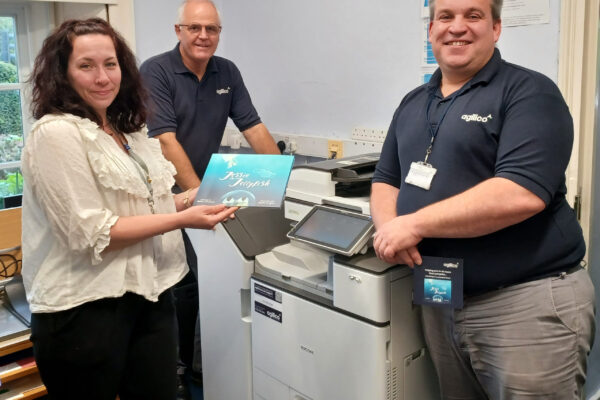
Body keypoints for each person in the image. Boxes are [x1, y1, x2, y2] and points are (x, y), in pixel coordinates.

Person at [370, 0, 595, 398]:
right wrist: (389, 227)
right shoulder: (412, 103)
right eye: (445, 17)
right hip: (441, 298)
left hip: (524, 302)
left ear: (496, 28)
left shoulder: (529, 92)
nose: (457, 27)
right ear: (431, 30)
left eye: (473, 15)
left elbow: (520, 192)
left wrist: (413, 224)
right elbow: (386, 179)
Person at [21, 18, 236, 400]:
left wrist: (197, 198)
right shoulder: (56, 134)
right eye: (86, 66)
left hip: (149, 298)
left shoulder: (128, 132)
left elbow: (145, 207)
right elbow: (91, 233)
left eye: (111, 64)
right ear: (62, 73)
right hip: (83, 311)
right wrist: (183, 219)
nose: (102, 77)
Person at [139, 0, 280, 392]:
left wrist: (280, 177)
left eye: (212, 29)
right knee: (181, 283)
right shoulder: (157, 71)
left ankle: (205, 362)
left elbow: (253, 127)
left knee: (208, 280)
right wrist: (197, 194)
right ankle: (182, 368)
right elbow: (165, 139)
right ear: (178, 30)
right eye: (195, 28)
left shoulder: (227, 72)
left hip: (204, 189)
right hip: (167, 194)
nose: (204, 36)